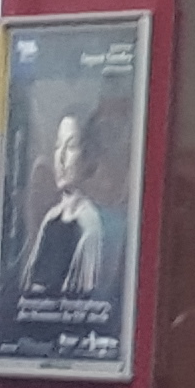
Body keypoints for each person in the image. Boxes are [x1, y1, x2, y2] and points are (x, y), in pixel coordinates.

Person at [22, 110, 112, 303]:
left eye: (70, 147)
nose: (61, 157)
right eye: (57, 146)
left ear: (88, 158)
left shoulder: (89, 224)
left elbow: (81, 296)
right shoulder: (50, 219)